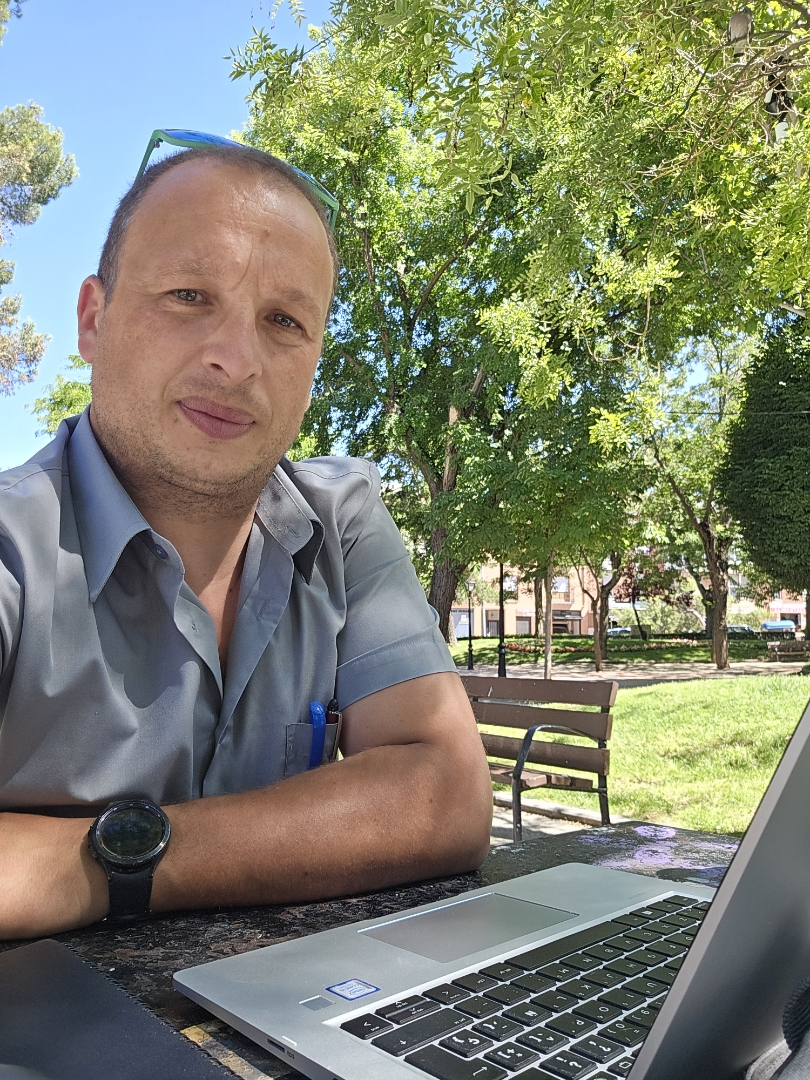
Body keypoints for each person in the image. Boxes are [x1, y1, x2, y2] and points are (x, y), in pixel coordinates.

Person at [0, 137, 492, 938]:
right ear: (93, 319)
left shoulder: (344, 523)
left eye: (284, 321)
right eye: (188, 295)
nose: (236, 360)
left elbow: (447, 793)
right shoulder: (11, 552)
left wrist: (99, 863)